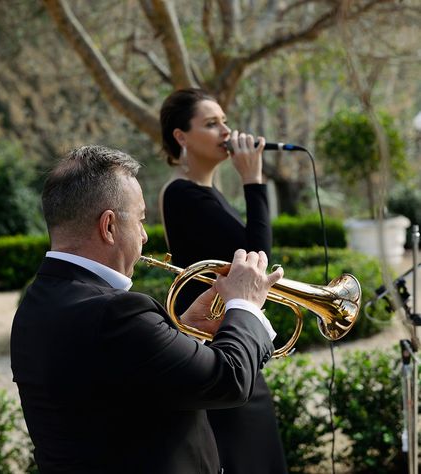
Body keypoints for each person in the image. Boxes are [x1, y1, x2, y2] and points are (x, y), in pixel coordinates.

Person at [10, 144, 284, 474]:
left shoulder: (35, 304)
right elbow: (230, 380)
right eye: (140, 220)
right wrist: (245, 303)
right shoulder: (116, 313)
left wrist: (181, 332)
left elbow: (122, 383)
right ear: (108, 227)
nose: (144, 237)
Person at [159, 88, 288, 474]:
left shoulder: (206, 192)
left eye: (225, 121)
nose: (226, 131)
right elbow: (257, 262)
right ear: (181, 137)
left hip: (229, 341)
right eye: (212, 123)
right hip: (218, 350)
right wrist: (253, 181)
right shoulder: (182, 194)